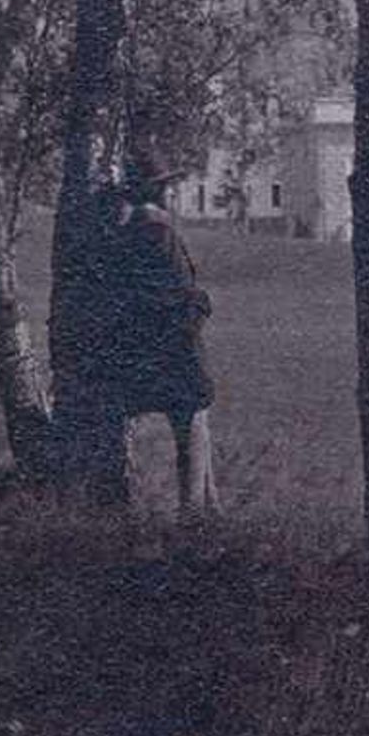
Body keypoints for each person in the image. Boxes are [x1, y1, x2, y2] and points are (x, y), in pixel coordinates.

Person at [104, 157, 218, 514]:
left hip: (145, 345)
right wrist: (201, 303)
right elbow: (174, 293)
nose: (173, 191)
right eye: (168, 186)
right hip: (172, 345)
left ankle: (210, 511)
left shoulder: (129, 233)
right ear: (156, 190)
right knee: (192, 425)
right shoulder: (158, 232)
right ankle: (195, 516)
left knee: (195, 422)